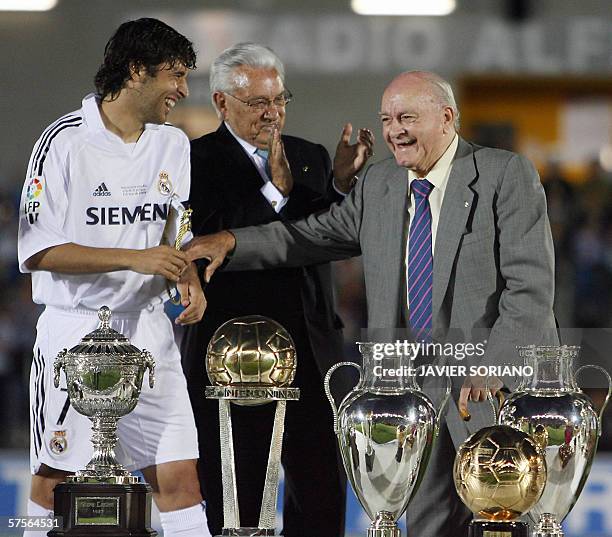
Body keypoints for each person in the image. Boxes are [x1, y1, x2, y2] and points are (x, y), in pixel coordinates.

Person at [184, 70, 559, 536]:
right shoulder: (381, 182)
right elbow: (311, 236)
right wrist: (231, 242)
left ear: (446, 118)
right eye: (386, 119)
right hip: (412, 391)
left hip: (486, 386)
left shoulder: (506, 174)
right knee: (427, 522)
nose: (393, 130)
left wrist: (496, 363)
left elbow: (531, 286)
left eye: (406, 117)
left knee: (506, 522)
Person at [17, 18, 211, 537]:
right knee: (54, 480)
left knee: (179, 478)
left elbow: (175, 231)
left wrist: (185, 275)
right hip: (76, 333)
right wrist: (135, 258)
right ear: (135, 70)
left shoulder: (174, 145)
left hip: (150, 331)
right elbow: (38, 251)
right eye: (174, 75)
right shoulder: (62, 141)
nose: (183, 90)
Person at [180, 42, 373, 537]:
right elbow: (208, 241)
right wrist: (278, 195)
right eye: (258, 103)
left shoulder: (310, 155)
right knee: (238, 495)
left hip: (312, 350)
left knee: (321, 492)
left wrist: (341, 188)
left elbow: (325, 238)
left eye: (280, 100)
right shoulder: (191, 160)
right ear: (222, 103)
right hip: (234, 355)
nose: (273, 113)